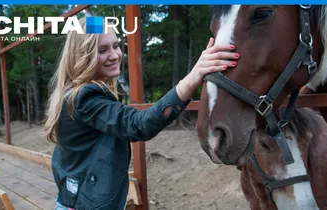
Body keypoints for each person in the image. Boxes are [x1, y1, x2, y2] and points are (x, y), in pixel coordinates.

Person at [43, 17, 239, 210]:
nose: (114, 55)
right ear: (82, 55)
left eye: (115, 45)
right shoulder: (86, 97)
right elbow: (138, 124)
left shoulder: (69, 94)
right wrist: (193, 77)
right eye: (102, 50)